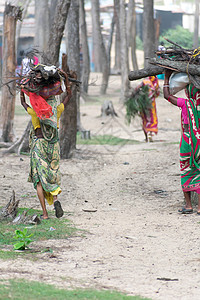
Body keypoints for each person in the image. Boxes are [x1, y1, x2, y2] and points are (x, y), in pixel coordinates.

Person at [20, 65, 71, 219]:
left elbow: (23, 103)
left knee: (39, 180)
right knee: (53, 173)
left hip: (39, 144)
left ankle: (44, 213)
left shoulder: (35, 110)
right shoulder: (57, 110)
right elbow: (68, 95)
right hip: (53, 145)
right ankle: (55, 199)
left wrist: (22, 90)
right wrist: (66, 79)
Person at [163, 69, 200, 214]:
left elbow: (167, 95)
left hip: (187, 142)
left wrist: (166, 77)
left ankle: (189, 205)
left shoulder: (186, 104)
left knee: (186, 170)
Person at [136, 76, 160, 142]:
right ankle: (150, 134)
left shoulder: (145, 81)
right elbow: (157, 92)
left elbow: (137, 89)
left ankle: (146, 136)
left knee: (145, 119)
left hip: (143, 103)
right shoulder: (155, 81)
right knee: (151, 119)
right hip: (151, 104)